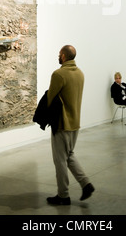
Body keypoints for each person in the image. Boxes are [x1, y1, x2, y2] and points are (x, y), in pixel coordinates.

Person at [46, 45, 95, 205]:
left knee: (59, 160)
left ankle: (63, 195)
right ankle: (86, 184)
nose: (58, 56)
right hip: (75, 123)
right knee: (69, 155)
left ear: (64, 56)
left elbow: (50, 99)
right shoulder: (80, 73)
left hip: (61, 124)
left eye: (59, 54)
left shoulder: (59, 74)